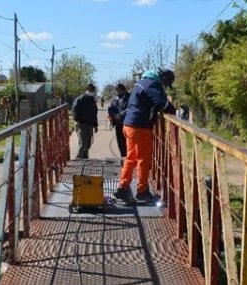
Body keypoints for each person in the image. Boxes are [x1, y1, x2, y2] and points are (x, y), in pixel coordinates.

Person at [114, 69, 176, 202]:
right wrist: (173, 110)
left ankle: (123, 188)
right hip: (140, 127)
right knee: (143, 159)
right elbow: (162, 103)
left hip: (130, 125)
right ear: (163, 78)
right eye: (166, 83)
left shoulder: (141, 82)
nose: (165, 86)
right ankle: (142, 191)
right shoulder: (152, 84)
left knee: (131, 158)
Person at [72, 83, 99, 159]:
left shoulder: (92, 100)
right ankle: (78, 158)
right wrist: (76, 120)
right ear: (87, 90)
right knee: (82, 142)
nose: (92, 92)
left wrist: (95, 126)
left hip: (90, 125)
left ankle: (85, 157)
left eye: (93, 90)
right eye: (91, 90)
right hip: (82, 124)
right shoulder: (80, 99)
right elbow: (74, 110)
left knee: (88, 143)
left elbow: (94, 113)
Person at [107, 83, 130, 158]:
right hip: (118, 123)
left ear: (124, 90)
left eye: (120, 91)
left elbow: (130, 107)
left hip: (127, 123)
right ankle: (123, 155)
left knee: (128, 141)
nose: (118, 93)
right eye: (117, 91)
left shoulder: (130, 97)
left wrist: (121, 114)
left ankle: (129, 156)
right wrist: (114, 115)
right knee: (120, 140)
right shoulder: (114, 99)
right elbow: (110, 109)